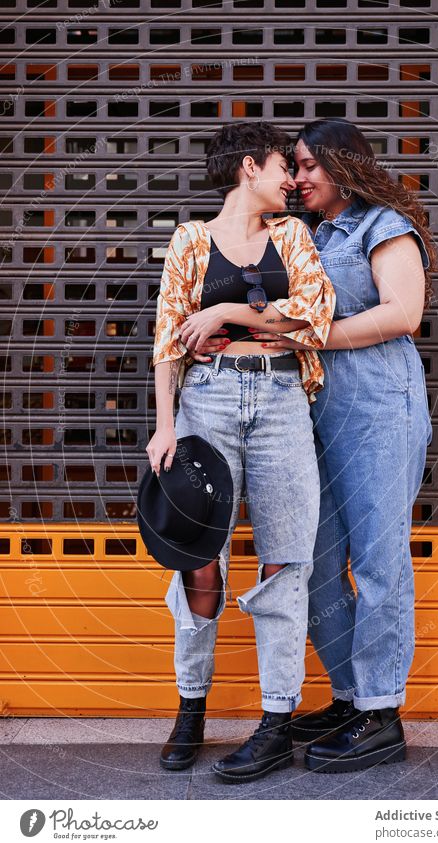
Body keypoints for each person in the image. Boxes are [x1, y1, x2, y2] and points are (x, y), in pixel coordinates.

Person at [194, 118, 437, 774]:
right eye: (292, 167)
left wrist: (307, 338)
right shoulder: (308, 235)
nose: (298, 178)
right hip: (314, 420)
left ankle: (381, 713)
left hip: (381, 413)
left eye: (307, 166)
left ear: (341, 163)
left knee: (380, 561)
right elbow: (284, 313)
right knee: (317, 563)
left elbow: (401, 312)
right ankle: (350, 695)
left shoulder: (380, 225)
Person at [145, 121, 335, 783]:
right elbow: (169, 337)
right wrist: (164, 426)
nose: (293, 180)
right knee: (200, 563)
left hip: (282, 399)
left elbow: (315, 316)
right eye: (286, 167)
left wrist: (229, 316)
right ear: (249, 167)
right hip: (208, 403)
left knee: (285, 560)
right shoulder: (190, 241)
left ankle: (276, 720)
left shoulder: (293, 237)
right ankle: (190, 706)